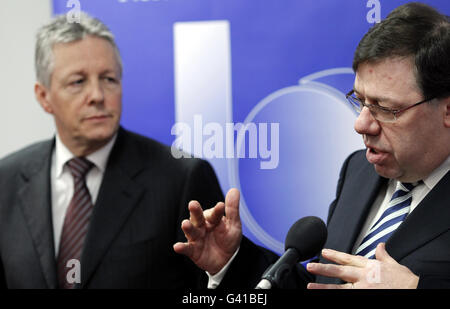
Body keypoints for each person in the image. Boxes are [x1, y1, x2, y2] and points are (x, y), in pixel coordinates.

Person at [174, 2, 450, 289]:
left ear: (447, 111)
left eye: (385, 108)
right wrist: (233, 260)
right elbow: (321, 283)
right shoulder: (360, 170)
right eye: (360, 101)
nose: (361, 124)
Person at [0, 13, 224, 288]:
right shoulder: (6, 181)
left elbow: (221, 283)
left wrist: (224, 269)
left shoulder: (181, 177)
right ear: (44, 97)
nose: (97, 95)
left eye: (108, 79)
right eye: (78, 82)